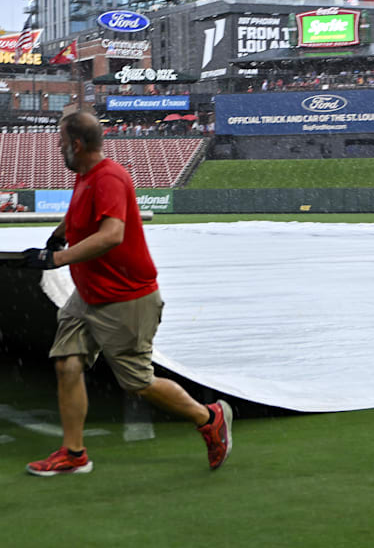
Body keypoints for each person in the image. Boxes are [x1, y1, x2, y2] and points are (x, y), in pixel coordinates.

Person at [18, 111, 231, 476]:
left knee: (138, 383)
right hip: (87, 294)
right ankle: (73, 453)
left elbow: (112, 234)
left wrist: (58, 258)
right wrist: (57, 235)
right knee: (67, 364)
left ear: (76, 144)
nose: (57, 147)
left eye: (60, 141)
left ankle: (208, 417)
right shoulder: (84, 177)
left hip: (126, 297)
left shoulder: (110, 178)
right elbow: (78, 216)